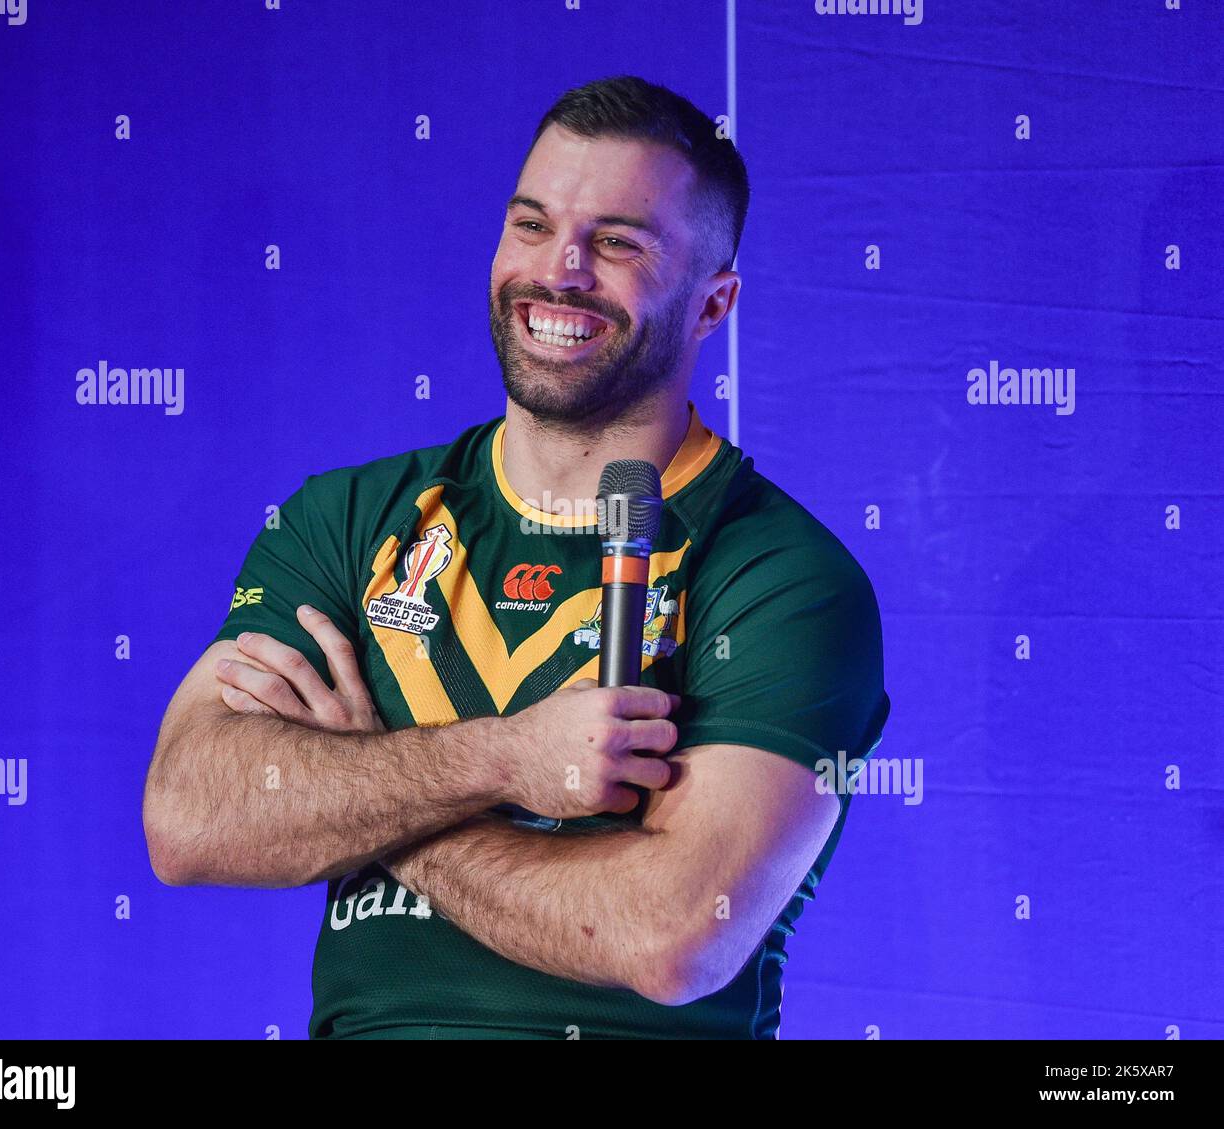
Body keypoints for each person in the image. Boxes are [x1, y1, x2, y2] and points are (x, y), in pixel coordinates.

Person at [142, 75, 890, 1040]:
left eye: (617, 242)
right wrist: (504, 760)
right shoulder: (351, 519)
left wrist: (376, 793)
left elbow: (670, 935)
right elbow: (191, 814)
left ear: (714, 305)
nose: (560, 269)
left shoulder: (783, 577)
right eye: (531, 225)